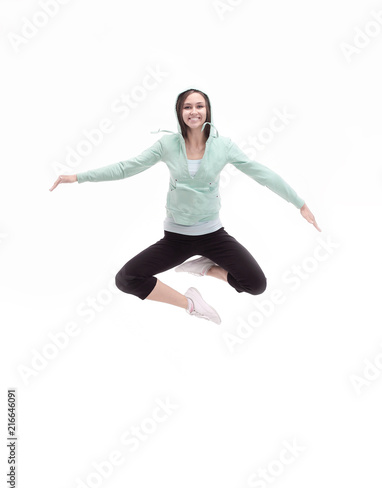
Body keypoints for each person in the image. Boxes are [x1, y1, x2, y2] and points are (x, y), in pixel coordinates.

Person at [50, 88, 320, 325]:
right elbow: (126, 168)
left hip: (214, 235)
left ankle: (204, 267)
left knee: (256, 285)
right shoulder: (167, 145)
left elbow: (261, 173)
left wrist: (300, 203)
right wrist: (78, 177)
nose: (194, 111)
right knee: (126, 279)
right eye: (187, 106)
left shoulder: (224, 146)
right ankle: (191, 304)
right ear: (180, 112)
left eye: (199, 106)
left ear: (208, 110)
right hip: (176, 239)